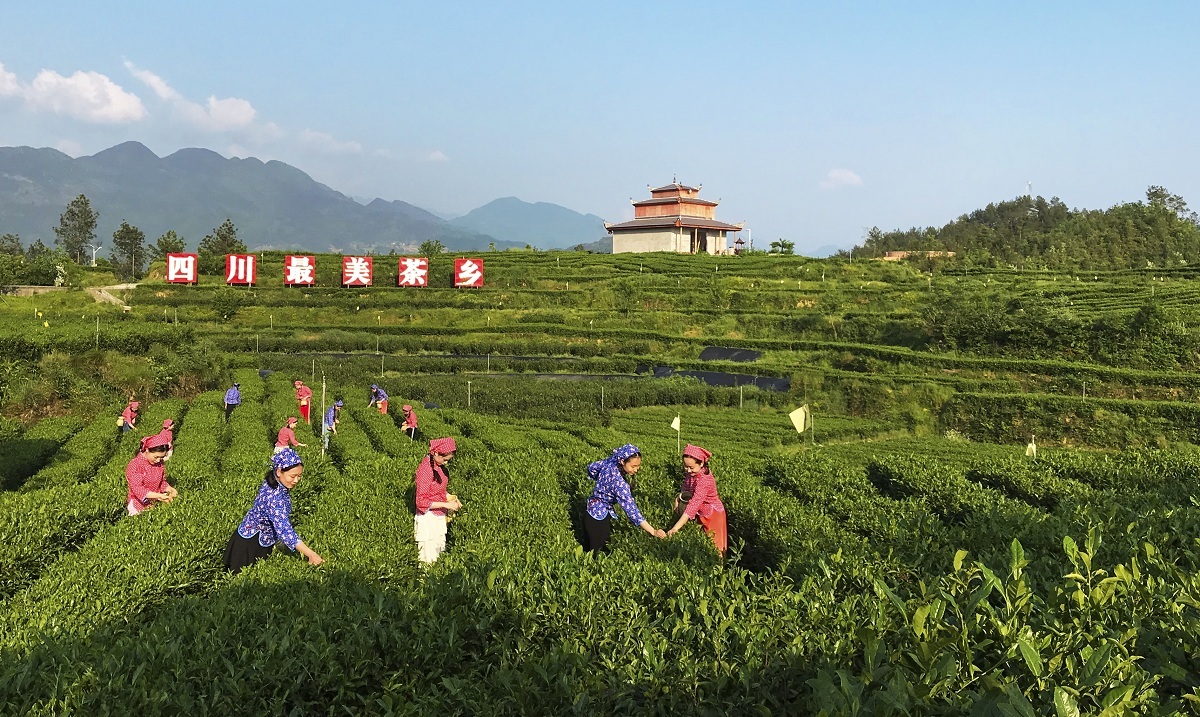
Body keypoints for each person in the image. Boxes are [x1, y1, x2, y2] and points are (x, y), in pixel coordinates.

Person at [222, 448, 324, 575]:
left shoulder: (276, 483)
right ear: (279, 472)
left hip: (263, 540)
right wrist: (310, 554)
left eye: (299, 476)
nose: (296, 480)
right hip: (250, 544)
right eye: (292, 476)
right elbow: (284, 529)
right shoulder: (273, 497)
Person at [583, 444, 665, 552]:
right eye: (633, 466)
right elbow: (632, 510)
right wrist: (653, 531)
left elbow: (592, 467)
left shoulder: (610, 462)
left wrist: (599, 480)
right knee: (598, 553)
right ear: (622, 461)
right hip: (598, 518)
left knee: (588, 551)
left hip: (590, 509)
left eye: (638, 466)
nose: (636, 470)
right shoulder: (619, 483)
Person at [667, 444, 727, 556]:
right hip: (700, 513)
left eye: (691, 467)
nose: (688, 470)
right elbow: (685, 488)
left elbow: (693, 505)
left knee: (715, 548)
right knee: (702, 546)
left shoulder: (704, 480)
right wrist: (678, 498)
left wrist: (675, 528)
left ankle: (719, 566)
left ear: (701, 463)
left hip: (712, 515)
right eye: (686, 467)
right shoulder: (691, 474)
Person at [414, 437, 461, 564]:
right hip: (428, 519)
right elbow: (421, 501)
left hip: (438, 516)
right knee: (428, 558)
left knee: (438, 554)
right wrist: (447, 505)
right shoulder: (425, 471)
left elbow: (438, 490)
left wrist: (451, 498)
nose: (446, 463)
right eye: (445, 459)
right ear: (435, 453)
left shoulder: (438, 466)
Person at [125, 433, 177, 516]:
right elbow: (137, 489)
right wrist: (159, 496)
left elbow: (161, 482)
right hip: (138, 503)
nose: (158, 460)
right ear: (147, 450)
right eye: (156, 457)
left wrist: (170, 489)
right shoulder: (135, 465)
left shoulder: (159, 463)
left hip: (154, 502)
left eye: (162, 457)